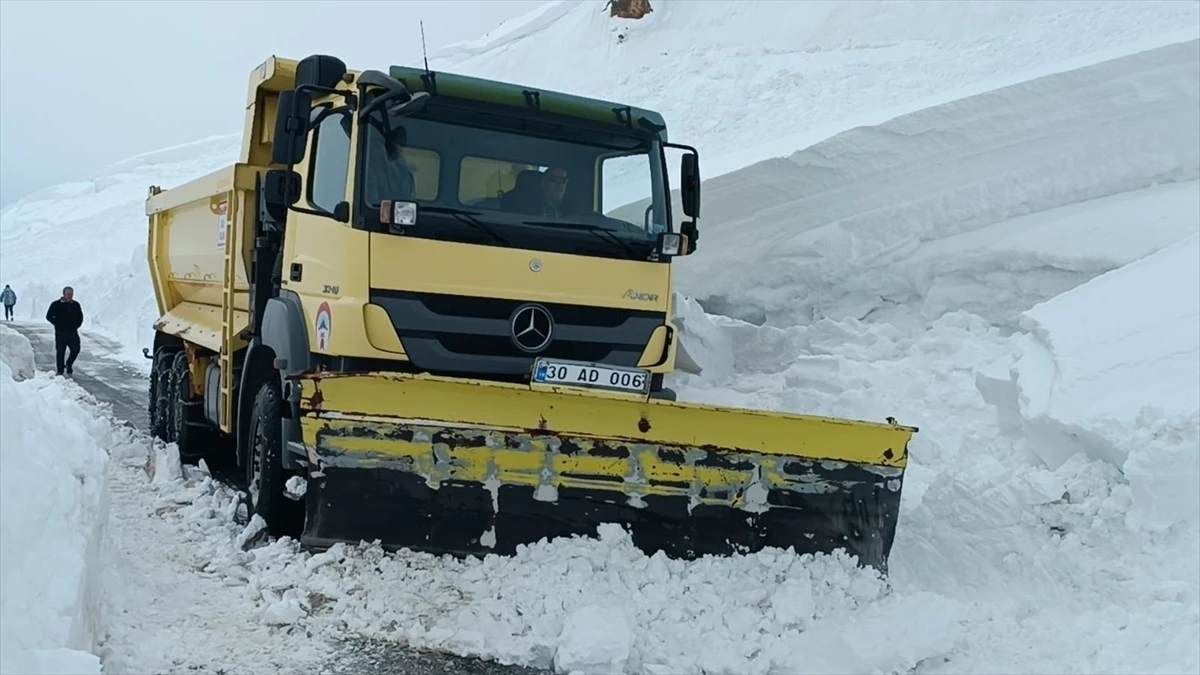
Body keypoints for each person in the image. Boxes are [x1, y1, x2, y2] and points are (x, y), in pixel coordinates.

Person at [45, 286, 83, 376]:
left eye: (71, 294)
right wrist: (57, 324)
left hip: (73, 332)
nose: (70, 296)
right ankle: (60, 371)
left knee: (76, 349)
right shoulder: (56, 304)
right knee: (60, 352)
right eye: (68, 294)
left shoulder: (76, 305)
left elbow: (80, 317)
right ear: (64, 294)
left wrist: (76, 325)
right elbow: (49, 316)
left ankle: (69, 364)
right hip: (60, 333)